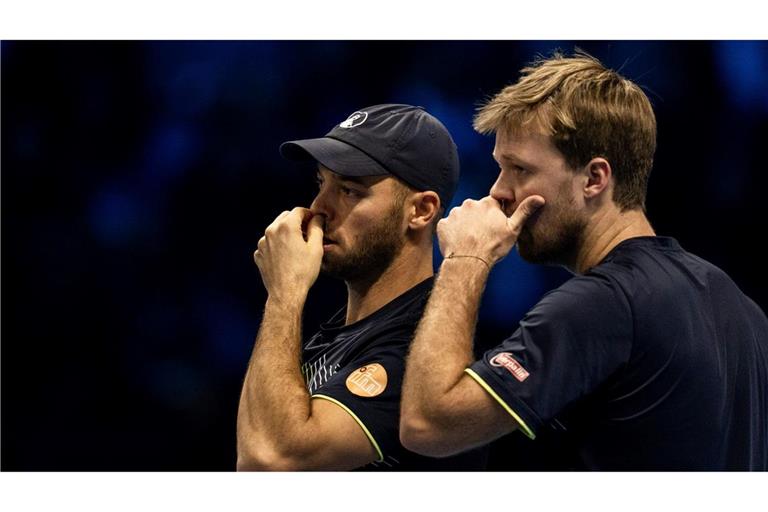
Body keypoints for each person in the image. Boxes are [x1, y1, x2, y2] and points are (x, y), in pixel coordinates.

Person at [399, 52, 768, 470]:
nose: (499, 192)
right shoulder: (741, 309)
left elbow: (426, 424)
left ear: (594, 179)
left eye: (519, 169)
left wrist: (465, 259)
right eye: (500, 168)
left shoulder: (605, 304)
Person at [236, 103, 487, 470]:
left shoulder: (423, 347)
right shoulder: (337, 333)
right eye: (322, 183)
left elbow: (269, 460)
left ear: (421, 211)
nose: (319, 207)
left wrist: (284, 294)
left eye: (350, 190)